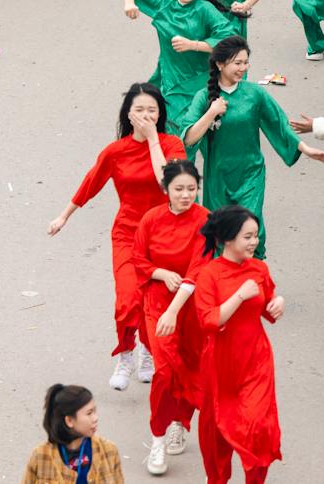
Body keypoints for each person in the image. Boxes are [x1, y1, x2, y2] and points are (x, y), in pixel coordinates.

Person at [48, 83, 187, 395]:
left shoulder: (171, 144)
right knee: (127, 297)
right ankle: (126, 356)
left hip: (163, 234)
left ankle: (148, 352)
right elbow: (92, 181)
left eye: (152, 109)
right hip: (127, 232)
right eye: (139, 109)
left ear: (160, 113)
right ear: (128, 113)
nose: (146, 115)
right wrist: (64, 216)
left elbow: (168, 183)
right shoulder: (115, 151)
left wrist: (153, 140)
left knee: (154, 300)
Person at [176, 37, 324, 258]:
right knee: (221, 233)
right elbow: (188, 138)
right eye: (237, 63)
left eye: (245, 62)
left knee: (250, 227)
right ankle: (224, 281)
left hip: (251, 173)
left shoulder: (255, 94)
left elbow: (279, 123)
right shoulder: (204, 97)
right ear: (220, 64)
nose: (243, 68)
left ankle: (255, 278)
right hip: (218, 177)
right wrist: (211, 112)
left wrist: (305, 148)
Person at [193, 205, 284, 484]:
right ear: (228, 239)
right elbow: (209, 321)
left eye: (255, 235)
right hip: (220, 365)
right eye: (248, 237)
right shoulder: (209, 274)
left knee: (259, 427)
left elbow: (267, 308)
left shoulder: (259, 268)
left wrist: (277, 304)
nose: (254, 242)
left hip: (256, 360)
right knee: (217, 432)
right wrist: (238, 297)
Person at [131, 158, 209, 476]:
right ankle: (158, 438)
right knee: (164, 371)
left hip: (189, 305)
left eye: (191, 189)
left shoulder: (205, 220)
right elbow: (138, 259)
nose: (186, 195)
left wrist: (175, 309)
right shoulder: (151, 219)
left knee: (190, 365)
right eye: (179, 189)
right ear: (166, 189)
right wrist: (161, 273)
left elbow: (197, 269)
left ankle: (180, 420)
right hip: (157, 303)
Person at [116, 0, 239, 109]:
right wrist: (129, 3)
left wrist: (193, 45)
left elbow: (230, 41)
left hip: (199, 80)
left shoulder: (205, 9)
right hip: (169, 77)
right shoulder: (164, 5)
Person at [18, 384, 124, 484]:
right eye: (89, 413)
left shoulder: (108, 451)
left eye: (95, 411)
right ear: (69, 421)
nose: (95, 418)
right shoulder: (41, 456)